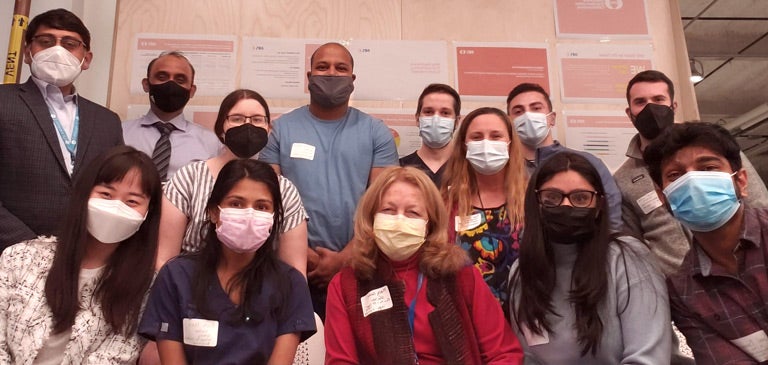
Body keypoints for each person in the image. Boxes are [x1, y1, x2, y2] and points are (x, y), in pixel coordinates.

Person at [324, 166, 524, 364]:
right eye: (388, 210)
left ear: (431, 224)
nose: (399, 220)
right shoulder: (346, 285)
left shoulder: (460, 274)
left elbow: (504, 354)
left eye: (413, 212)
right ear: (370, 218)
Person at [259, 42, 399, 317]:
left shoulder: (376, 133)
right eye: (322, 67)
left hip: (359, 268)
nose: (331, 73)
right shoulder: (280, 130)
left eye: (340, 68)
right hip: (291, 267)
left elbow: (384, 204)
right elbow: (267, 199)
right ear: (309, 77)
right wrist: (302, 254)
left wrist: (344, 258)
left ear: (352, 80)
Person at [140, 159, 316, 364]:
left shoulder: (290, 284)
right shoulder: (176, 277)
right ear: (214, 212)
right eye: (236, 204)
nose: (249, 214)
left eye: (262, 206)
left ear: (273, 217)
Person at [0, 145, 161, 363]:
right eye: (106, 194)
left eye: (132, 201)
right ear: (84, 195)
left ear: (147, 214)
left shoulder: (146, 285)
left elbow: (116, 357)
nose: (115, 207)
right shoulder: (20, 257)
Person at [508, 151, 671, 364]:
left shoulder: (627, 259)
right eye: (552, 197)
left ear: (598, 207)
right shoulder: (521, 272)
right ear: (536, 203)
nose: (566, 206)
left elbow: (649, 359)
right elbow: (528, 358)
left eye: (581, 198)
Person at [614, 70, 768, 275]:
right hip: (678, 284)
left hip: (746, 266)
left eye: (659, 99)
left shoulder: (715, 147)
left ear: (673, 106)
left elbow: (758, 203)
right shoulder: (623, 179)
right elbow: (634, 244)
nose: (650, 107)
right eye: (640, 102)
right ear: (629, 112)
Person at [643, 122, 768, 364]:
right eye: (675, 175)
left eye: (708, 167)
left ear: (741, 181)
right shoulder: (683, 293)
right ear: (663, 197)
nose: (693, 181)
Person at [0, 8, 123, 249]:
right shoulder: (4, 101)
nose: (57, 50)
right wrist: (27, 246)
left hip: (83, 254)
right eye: (45, 42)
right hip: (9, 256)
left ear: (86, 59)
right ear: (27, 53)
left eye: (69, 44)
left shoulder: (107, 120)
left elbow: (114, 190)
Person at [157, 89, 308, 275]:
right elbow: (164, 259)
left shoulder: (284, 190)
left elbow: (295, 271)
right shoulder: (188, 178)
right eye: (237, 118)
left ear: (268, 130)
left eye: (257, 119)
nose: (248, 126)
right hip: (190, 290)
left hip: (261, 293)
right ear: (221, 127)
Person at [506, 82, 623, 232]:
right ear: (509, 123)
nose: (528, 116)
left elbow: (611, 216)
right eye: (518, 111)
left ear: (552, 118)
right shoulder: (503, 169)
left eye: (536, 108)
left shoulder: (588, 163)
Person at [441, 107, 527, 307]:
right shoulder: (446, 203)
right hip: (464, 317)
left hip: (524, 319)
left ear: (510, 144)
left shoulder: (531, 200)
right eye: (477, 137)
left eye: (496, 136)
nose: (486, 143)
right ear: (464, 146)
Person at [123, 51, 221, 181]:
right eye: (162, 77)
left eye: (180, 80)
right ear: (146, 84)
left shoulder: (211, 143)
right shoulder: (120, 132)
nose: (170, 85)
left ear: (191, 91)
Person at [399, 83, 461, 186]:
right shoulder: (400, 169)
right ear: (417, 119)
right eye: (428, 112)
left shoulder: (468, 168)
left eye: (445, 113)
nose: (435, 119)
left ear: (457, 121)